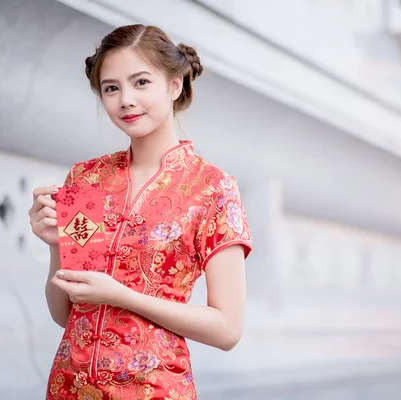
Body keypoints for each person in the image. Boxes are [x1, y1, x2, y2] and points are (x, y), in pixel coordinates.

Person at [28, 24, 252, 400]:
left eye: (141, 82)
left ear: (175, 85)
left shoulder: (212, 187)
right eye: (111, 88)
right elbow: (65, 313)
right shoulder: (86, 179)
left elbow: (228, 329)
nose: (125, 100)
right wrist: (55, 246)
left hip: (154, 389)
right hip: (70, 386)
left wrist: (123, 296)